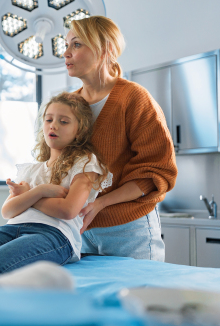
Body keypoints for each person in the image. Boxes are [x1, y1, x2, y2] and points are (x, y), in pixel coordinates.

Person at [0, 93, 111, 279]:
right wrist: (39, 191)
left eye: (64, 121)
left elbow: (68, 210)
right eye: (49, 119)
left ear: (80, 130)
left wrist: (27, 197)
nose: (53, 125)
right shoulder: (31, 170)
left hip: (54, 235)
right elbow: (8, 211)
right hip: (11, 229)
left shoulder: (85, 163)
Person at [64, 16, 178, 261]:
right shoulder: (67, 106)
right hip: (79, 228)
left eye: (76, 44)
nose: (66, 53)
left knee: (139, 297)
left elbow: (157, 171)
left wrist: (101, 204)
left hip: (128, 229)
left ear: (105, 50)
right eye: (65, 45)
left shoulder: (134, 99)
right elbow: (58, 164)